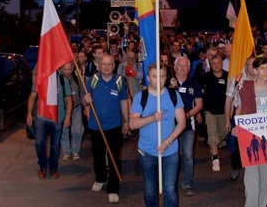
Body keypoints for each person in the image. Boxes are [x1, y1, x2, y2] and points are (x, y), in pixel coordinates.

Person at [232, 57, 267, 207]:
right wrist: (238, 124)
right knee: (252, 181)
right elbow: (239, 108)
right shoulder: (245, 88)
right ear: (254, 71)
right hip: (249, 138)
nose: (266, 71)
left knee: (264, 182)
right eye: (262, 68)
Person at [129, 63, 186, 207]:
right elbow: (132, 124)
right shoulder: (141, 97)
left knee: (170, 190)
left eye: (162, 76)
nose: (158, 80)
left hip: (170, 151)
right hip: (147, 151)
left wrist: (167, 142)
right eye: (155, 76)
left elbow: (181, 123)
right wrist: (152, 118)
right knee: (149, 190)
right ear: (148, 78)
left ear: (166, 78)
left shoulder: (174, 95)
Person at [82, 55, 130, 204]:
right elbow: (84, 101)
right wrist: (86, 100)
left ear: (113, 66)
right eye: (104, 64)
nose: (106, 67)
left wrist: (127, 121)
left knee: (114, 157)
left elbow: (123, 102)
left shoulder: (119, 81)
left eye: (109, 64)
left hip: (114, 127)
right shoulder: (92, 80)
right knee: (98, 156)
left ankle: (113, 188)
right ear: (99, 65)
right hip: (95, 127)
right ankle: (100, 178)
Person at [26, 67, 73, 179]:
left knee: (55, 145)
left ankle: (53, 168)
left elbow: (69, 99)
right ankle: (43, 166)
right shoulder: (40, 79)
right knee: (39, 144)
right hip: (41, 117)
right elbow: (32, 96)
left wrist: (68, 116)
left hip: (58, 118)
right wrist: (29, 113)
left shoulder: (62, 79)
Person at [169, 56, 203, 196]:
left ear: (189, 68)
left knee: (188, 155)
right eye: (180, 66)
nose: (183, 69)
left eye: (185, 67)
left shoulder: (194, 83)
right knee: (171, 155)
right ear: (175, 67)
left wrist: (188, 115)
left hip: (188, 126)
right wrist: (171, 88)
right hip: (170, 126)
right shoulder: (168, 83)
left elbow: (199, 104)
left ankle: (187, 183)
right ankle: (171, 182)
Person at [225, 56, 256, 181]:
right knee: (237, 146)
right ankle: (236, 166)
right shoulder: (237, 79)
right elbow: (228, 99)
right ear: (245, 66)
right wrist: (227, 119)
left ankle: (253, 172)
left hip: (256, 117)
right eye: (250, 64)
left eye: (255, 65)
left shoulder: (262, 79)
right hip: (240, 115)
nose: (253, 68)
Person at [202, 55, 228, 172]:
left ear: (221, 64)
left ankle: (214, 147)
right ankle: (215, 159)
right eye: (214, 64)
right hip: (209, 111)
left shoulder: (228, 76)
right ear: (210, 65)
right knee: (212, 135)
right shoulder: (205, 77)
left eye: (218, 63)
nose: (216, 65)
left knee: (223, 133)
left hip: (224, 112)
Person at [60, 61, 84, 161]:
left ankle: (75, 151)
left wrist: (86, 108)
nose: (67, 71)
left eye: (69, 69)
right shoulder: (59, 80)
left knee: (77, 130)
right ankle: (66, 152)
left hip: (76, 108)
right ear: (61, 69)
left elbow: (83, 94)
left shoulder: (77, 80)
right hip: (63, 110)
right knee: (64, 131)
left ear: (73, 69)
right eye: (65, 69)